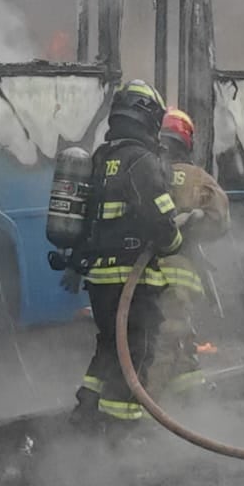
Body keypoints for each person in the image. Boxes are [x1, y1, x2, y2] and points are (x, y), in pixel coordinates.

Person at [68, 79, 183, 428]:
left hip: (99, 280)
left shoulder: (101, 158)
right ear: (147, 117)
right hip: (131, 278)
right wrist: (176, 242)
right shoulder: (141, 161)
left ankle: (86, 414)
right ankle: (120, 432)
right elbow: (162, 223)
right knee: (135, 352)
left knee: (109, 347)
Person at [151, 108, 230, 397]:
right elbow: (220, 222)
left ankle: (189, 398)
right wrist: (195, 225)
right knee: (169, 337)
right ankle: (150, 406)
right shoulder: (197, 178)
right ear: (187, 142)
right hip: (179, 272)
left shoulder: (145, 170)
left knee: (173, 337)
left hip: (139, 270)